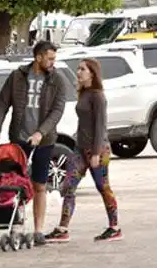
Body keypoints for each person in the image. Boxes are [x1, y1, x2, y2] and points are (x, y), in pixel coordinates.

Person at [0, 40, 68, 247]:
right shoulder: (17, 76)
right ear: (38, 57)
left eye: (54, 59)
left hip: (44, 140)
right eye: (49, 58)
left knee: (40, 184)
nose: (52, 62)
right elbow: (2, 102)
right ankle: (16, 226)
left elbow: (57, 111)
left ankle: (38, 230)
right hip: (19, 137)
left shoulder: (57, 80)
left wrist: (41, 132)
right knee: (15, 183)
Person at [47, 59, 120, 243]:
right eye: (78, 69)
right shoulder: (84, 93)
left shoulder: (97, 96)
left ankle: (115, 227)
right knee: (68, 186)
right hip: (80, 149)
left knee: (103, 187)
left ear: (92, 73)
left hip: (98, 150)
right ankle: (63, 229)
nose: (78, 72)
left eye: (82, 69)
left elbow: (100, 126)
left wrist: (95, 152)